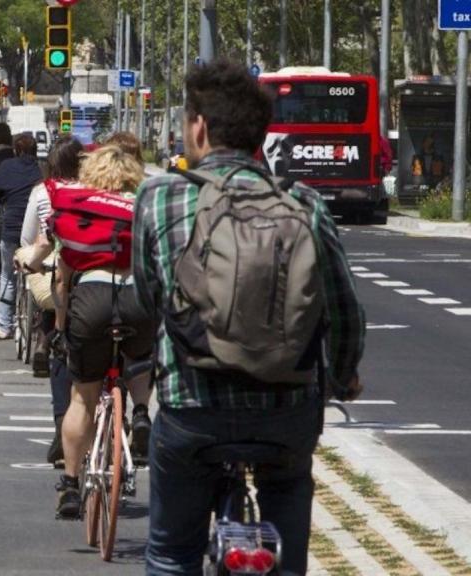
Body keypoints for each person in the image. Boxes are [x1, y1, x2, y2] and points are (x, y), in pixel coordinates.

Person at [133, 58, 365, 575]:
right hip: (287, 409)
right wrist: (344, 375)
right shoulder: (303, 202)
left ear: (199, 126)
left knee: (171, 554)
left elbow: (150, 298)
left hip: (191, 405)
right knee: (287, 510)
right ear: (261, 133)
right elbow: (344, 307)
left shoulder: (159, 197)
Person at [52, 144, 157, 519]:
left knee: (82, 396)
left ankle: (69, 483)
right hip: (137, 300)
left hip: (91, 299)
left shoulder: (82, 211)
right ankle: (142, 412)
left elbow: (62, 284)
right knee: (141, 359)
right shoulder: (144, 209)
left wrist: (61, 328)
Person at [15, 135, 85, 464]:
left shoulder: (46, 193)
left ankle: (62, 426)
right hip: (108, 287)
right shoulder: (98, 192)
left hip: (59, 276)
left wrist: (29, 261)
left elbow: (29, 239)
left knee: (59, 335)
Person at [0, 134, 41, 339]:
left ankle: (5, 325)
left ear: (16, 151)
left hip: (11, 230)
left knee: (7, 275)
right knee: (37, 273)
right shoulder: (41, 169)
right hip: (36, 233)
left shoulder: (6, 167)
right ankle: (35, 319)